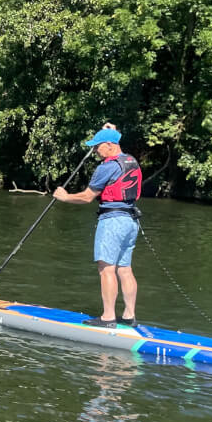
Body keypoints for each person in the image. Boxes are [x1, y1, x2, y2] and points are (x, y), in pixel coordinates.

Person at [53, 124, 142, 327]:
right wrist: (113, 130)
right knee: (125, 269)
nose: (94, 150)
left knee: (106, 269)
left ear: (109, 145)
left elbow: (87, 197)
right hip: (130, 222)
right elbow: (117, 141)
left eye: (97, 146)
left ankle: (108, 317)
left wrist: (65, 197)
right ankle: (129, 316)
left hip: (112, 221)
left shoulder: (106, 167)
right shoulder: (131, 160)